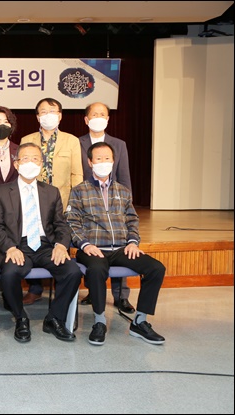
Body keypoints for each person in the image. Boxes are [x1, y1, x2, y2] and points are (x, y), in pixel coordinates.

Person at [66, 142, 166, 346]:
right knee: (96, 270)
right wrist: (84, 244)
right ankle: (99, 321)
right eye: (98, 159)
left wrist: (133, 242)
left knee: (156, 268)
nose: (103, 162)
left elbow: (132, 219)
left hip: (121, 249)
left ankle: (140, 321)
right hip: (92, 249)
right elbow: (71, 222)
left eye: (107, 159)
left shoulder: (123, 191)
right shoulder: (79, 191)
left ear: (113, 161)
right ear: (90, 162)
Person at [0, 143, 82, 343]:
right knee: (10, 273)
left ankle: (54, 318)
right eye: (25, 159)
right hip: (17, 246)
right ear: (16, 164)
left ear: (41, 164)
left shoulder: (52, 192)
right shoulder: (1, 192)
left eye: (35, 159)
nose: (30, 163)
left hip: (46, 246)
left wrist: (61, 245)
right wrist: (10, 248)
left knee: (72, 271)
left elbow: (61, 224)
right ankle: (21, 318)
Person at [19, 97, 82, 305]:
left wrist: (73, 205)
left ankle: (61, 292)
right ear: (38, 117)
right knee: (33, 242)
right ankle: (35, 289)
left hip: (61, 203)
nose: (48, 115)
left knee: (59, 245)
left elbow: (77, 175)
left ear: (60, 116)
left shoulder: (71, 141)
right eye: (43, 112)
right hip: (33, 203)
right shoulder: (27, 139)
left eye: (53, 111)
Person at [78, 102, 135, 313]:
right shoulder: (77, 143)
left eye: (102, 114)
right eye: (94, 114)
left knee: (119, 245)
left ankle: (121, 296)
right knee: (93, 250)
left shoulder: (119, 144)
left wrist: (126, 203)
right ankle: (93, 292)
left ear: (108, 119)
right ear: (86, 119)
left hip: (114, 202)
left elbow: (124, 176)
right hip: (89, 204)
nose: (98, 117)